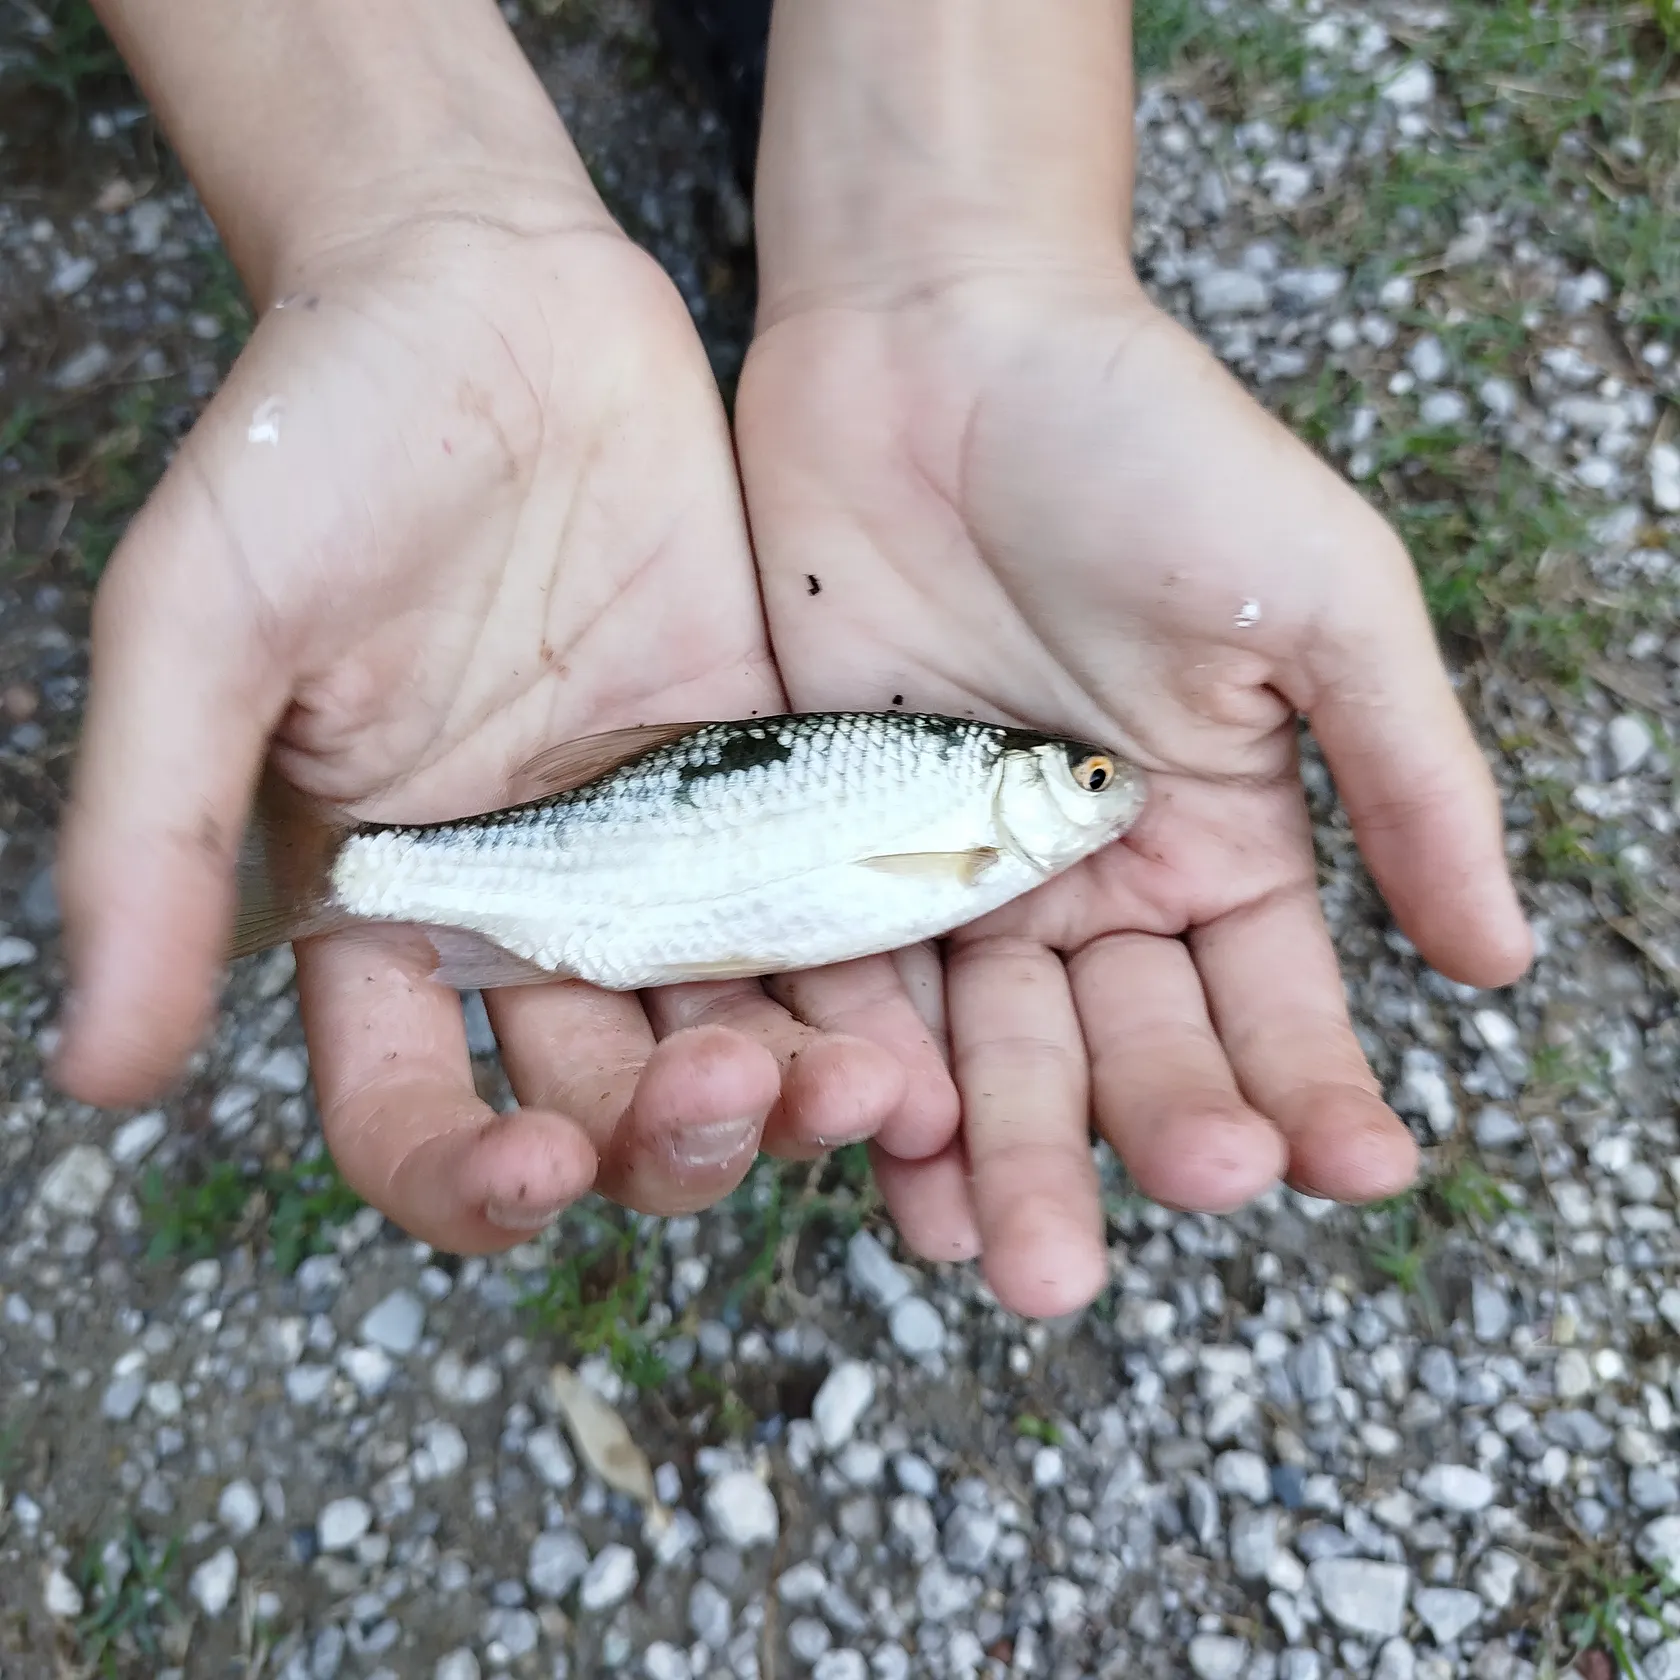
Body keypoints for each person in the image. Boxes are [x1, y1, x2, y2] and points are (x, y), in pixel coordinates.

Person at [51, 0, 1532, 1320]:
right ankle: (352, 866)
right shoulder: (975, 824)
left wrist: (962, 255)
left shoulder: (976, 818)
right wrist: (407, 222)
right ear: (1023, 784)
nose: (1108, 788)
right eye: (1086, 778)